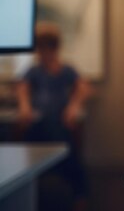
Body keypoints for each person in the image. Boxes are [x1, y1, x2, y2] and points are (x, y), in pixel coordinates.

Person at [16, 22, 92, 211]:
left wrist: (73, 106)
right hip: (39, 124)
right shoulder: (34, 71)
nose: (43, 53)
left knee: (72, 157)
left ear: (54, 49)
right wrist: (24, 107)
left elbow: (84, 88)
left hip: (61, 123)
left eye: (47, 48)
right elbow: (22, 90)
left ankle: (79, 200)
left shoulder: (66, 70)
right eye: (40, 48)